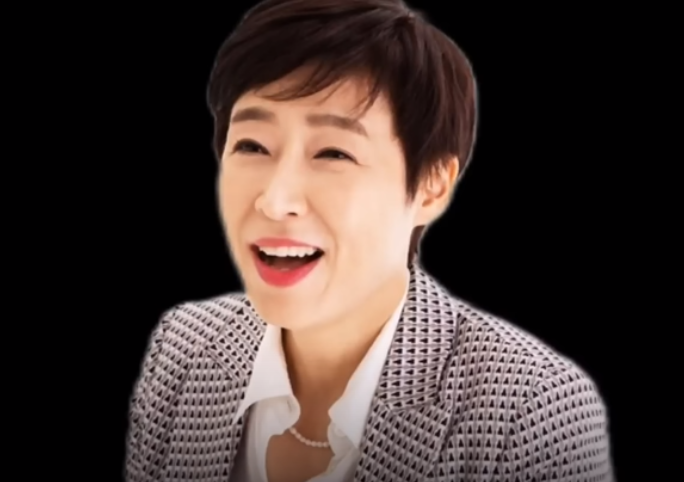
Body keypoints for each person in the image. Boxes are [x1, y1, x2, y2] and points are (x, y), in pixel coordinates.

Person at [124, 0, 614, 481]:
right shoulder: (184, 347)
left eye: (333, 153)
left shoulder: (531, 407)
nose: (275, 201)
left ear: (432, 187)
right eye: (252, 145)